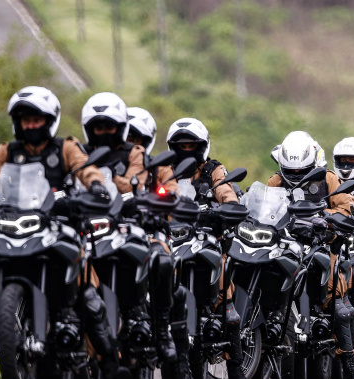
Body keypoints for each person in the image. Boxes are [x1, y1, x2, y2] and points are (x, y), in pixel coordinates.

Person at [0, 86, 126, 378]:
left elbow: (85, 168)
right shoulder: (7, 151)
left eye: (36, 120)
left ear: (49, 120)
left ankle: (109, 363)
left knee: (88, 296)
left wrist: (95, 185)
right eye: (25, 120)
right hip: (13, 228)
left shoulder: (66, 147)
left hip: (58, 229)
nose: (31, 125)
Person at [81, 93, 178, 364]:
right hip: (91, 227)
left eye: (109, 127)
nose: (103, 133)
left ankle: (160, 330)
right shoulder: (80, 154)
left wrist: (103, 181)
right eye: (98, 127)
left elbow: (138, 182)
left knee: (161, 260)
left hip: (136, 226)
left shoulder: (141, 158)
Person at [269, 131, 354, 379]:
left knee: (336, 294)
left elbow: (347, 208)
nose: (297, 176)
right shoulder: (276, 181)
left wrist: (325, 220)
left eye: (302, 171)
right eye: (292, 171)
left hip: (320, 246)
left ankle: (349, 360)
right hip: (285, 247)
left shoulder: (329, 179)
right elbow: (264, 209)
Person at [157, 118, 243, 379]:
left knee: (225, 294)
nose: (186, 150)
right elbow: (156, 194)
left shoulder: (213, 169)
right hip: (174, 240)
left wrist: (228, 205)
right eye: (181, 145)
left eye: (192, 145)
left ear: (203, 146)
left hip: (208, 239)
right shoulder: (165, 170)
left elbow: (226, 191)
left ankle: (236, 367)